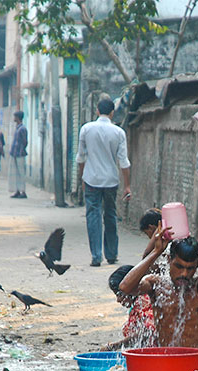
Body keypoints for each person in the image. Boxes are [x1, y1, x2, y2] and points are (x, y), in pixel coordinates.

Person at [118, 227, 198, 349]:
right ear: (169, 260)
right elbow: (125, 287)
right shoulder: (156, 284)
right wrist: (156, 251)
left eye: (190, 268)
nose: (184, 274)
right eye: (179, 266)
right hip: (166, 358)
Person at [76, 98, 132, 267]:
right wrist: (127, 185)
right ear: (112, 113)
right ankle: (112, 254)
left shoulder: (86, 129)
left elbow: (80, 158)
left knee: (93, 215)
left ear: (97, 111)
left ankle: (96, 255)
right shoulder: (119, 132)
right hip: (111, 180)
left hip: (91, 179)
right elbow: (124, 162)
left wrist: (82, 178)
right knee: (110, 215)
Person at [102, 265, 157, 351]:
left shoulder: (144, 302)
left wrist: (115, 345)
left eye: (119, 294)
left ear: (130, 288)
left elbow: (147, 332)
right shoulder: (138, 303)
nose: (118, 300)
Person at [9, 110, 28, 198]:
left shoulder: (22, 129)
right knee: (16, 173)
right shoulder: (17, 128)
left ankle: (23, 191)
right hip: (15, 153)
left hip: (20, 154)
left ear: (18, 118)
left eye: (15, 116)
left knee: (21, 173)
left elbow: (25, 142)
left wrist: (21, 150)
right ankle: (17, 190)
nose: (14, 118)